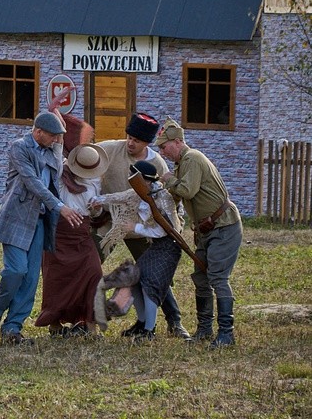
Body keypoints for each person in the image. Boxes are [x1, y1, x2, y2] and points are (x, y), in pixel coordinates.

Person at [0, 107, 84, 345]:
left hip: (40, 221)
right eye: (53, 135)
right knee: (15, 271)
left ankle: (13, 328)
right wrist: (60, 207)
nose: (56, 140)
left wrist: (59, 142)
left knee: (30, 279)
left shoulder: (52, 149)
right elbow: (33, 183)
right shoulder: (20, 147)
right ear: (38, 132)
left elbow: (56, 176)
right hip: (16, 219)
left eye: (58, 136)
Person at [95, 113, 190, 339]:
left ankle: (174, 322)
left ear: (147, 143)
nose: (130, 142)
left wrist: (171, 226)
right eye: (128, 137)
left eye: (136, 140)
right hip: (109, 223)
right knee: (88, 264)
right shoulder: (108, 148)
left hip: (142, 226)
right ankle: (84, 319)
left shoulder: (156, 163)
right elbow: (86, 157)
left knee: (154, 275)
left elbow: (166, 202)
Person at [155, 117, 243, 348]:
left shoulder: (192, 158)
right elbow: (176, 196)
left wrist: (168, 180)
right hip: (205, 229)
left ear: (176, 142)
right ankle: (204, 330)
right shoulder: (181, 164)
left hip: (224, 226)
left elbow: (187, 190)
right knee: (201, 279)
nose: (162, 152)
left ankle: (226, 334)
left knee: (217, 278)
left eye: (164, 147)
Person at [34, 143, 109, 338]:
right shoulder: (60, 174)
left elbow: (96, 211)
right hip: (59, 231)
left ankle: (90, 325)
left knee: (94, 273)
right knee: (56, 278)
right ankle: (55, 324)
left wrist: (96, 208)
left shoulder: (94, 181)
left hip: (82, 233)